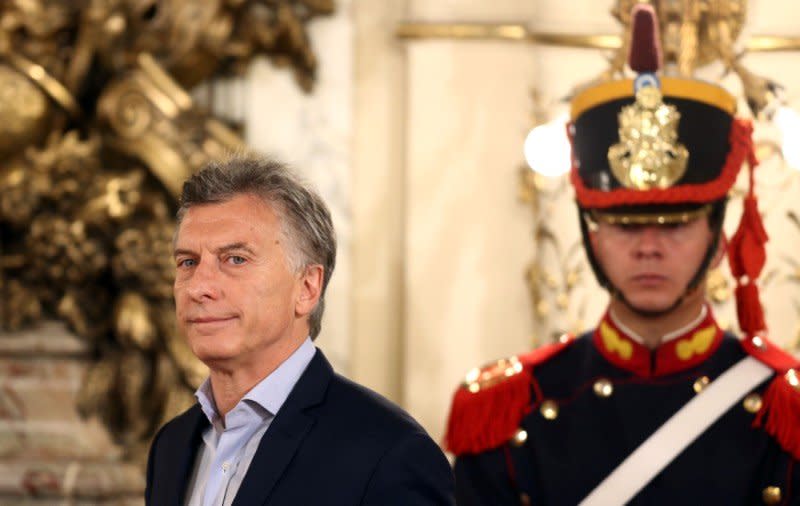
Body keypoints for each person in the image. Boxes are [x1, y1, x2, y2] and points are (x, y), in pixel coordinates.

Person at [445, 5, 800, 505]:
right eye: (623, 225)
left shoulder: (785, 411)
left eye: (675, 225)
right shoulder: (509, 407)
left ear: (720, 243)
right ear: (592, 238)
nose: (648, 247)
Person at [145, 155, 454, 505]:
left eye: (235, 259)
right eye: (188, 262)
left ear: (307, 288)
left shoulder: (389, 453)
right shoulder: (170, 446)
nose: (198, 286)